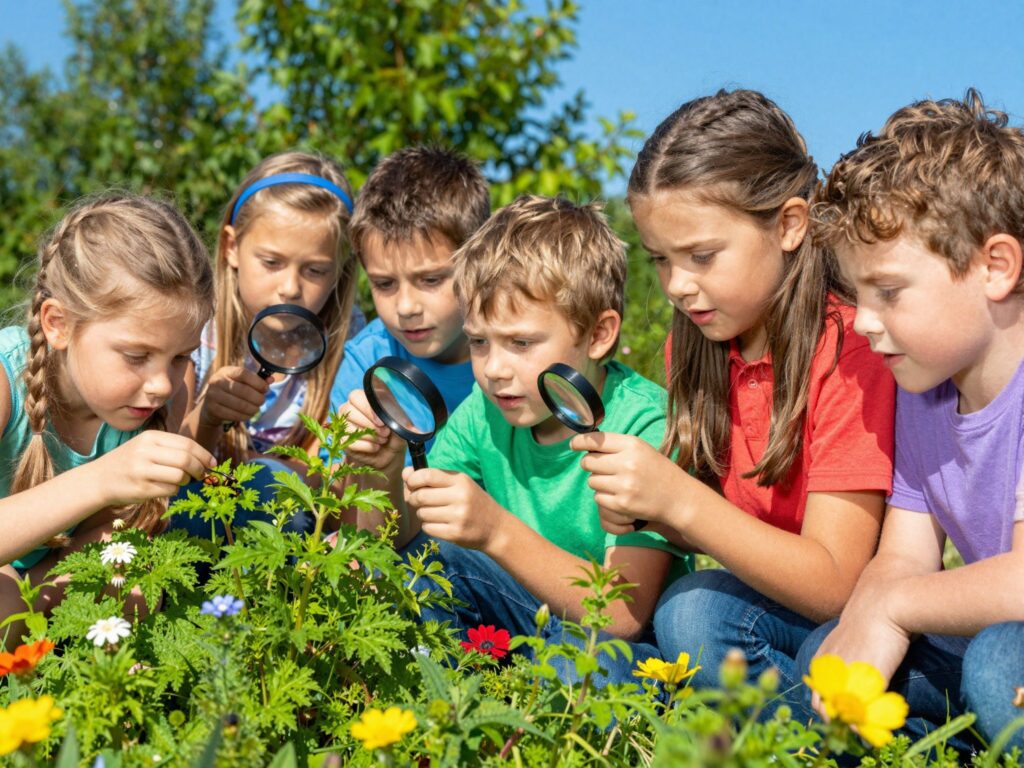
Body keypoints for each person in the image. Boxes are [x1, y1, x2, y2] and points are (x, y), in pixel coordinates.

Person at [569, 89, 895, 707]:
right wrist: (651, 514)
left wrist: (680, 501)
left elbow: (835, 583)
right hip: (778, 619)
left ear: (789, 225)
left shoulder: (852, 350)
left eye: (702, 255)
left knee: (694, 616)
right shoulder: (695, 347)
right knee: (653, 627)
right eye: (660, 260)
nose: (677, 285)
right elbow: (732, 532)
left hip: (855, 629)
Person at [795, 90, 1024, 752]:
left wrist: (890, 609)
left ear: (995, 267)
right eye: (857, 297)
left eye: (889, 293)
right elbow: (901, 555)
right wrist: (874, 612)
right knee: (832, 657)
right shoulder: (926, 395)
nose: (865, 324)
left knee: (999, 659)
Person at [401, 195, 688, 684]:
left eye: (521, 343)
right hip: (522, 619)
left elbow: (621, 617)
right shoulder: (486, 410)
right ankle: (440, 714)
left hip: (626, 652)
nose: (493, 369)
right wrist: (389, 469)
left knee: (581, 660)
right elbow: (412, 530)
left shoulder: (646, 423)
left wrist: (495, 531)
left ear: (598, 334)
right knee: (424, 563)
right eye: (478, 342)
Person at [0, 194, 217, 644]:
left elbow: (115, 538)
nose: (161, 384)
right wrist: (100, 479)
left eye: (180, 356)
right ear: (58, 324)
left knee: (136, 586)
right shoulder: (6, 380)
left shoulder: (161, 399)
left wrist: (29, 597)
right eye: (136, 356)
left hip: (42, 582)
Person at [177, 151, 362, 534]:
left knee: (267, 483)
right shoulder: (194, 330)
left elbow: (330, 476)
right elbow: (169, 456)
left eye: (314, 270)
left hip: (291, 528)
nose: (290, 287)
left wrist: (266, 474)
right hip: (196, 514)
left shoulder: (352, 341)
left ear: (339, 270)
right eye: (271, 262)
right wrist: (209, 415)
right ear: (231, 248)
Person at [328, 146, 489, 529]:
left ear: (479, 259)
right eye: (384, 284)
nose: (406, 307)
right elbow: (342, 520)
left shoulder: (516, 356)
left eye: (431, 279)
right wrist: (357, 461)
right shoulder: (365, 363)